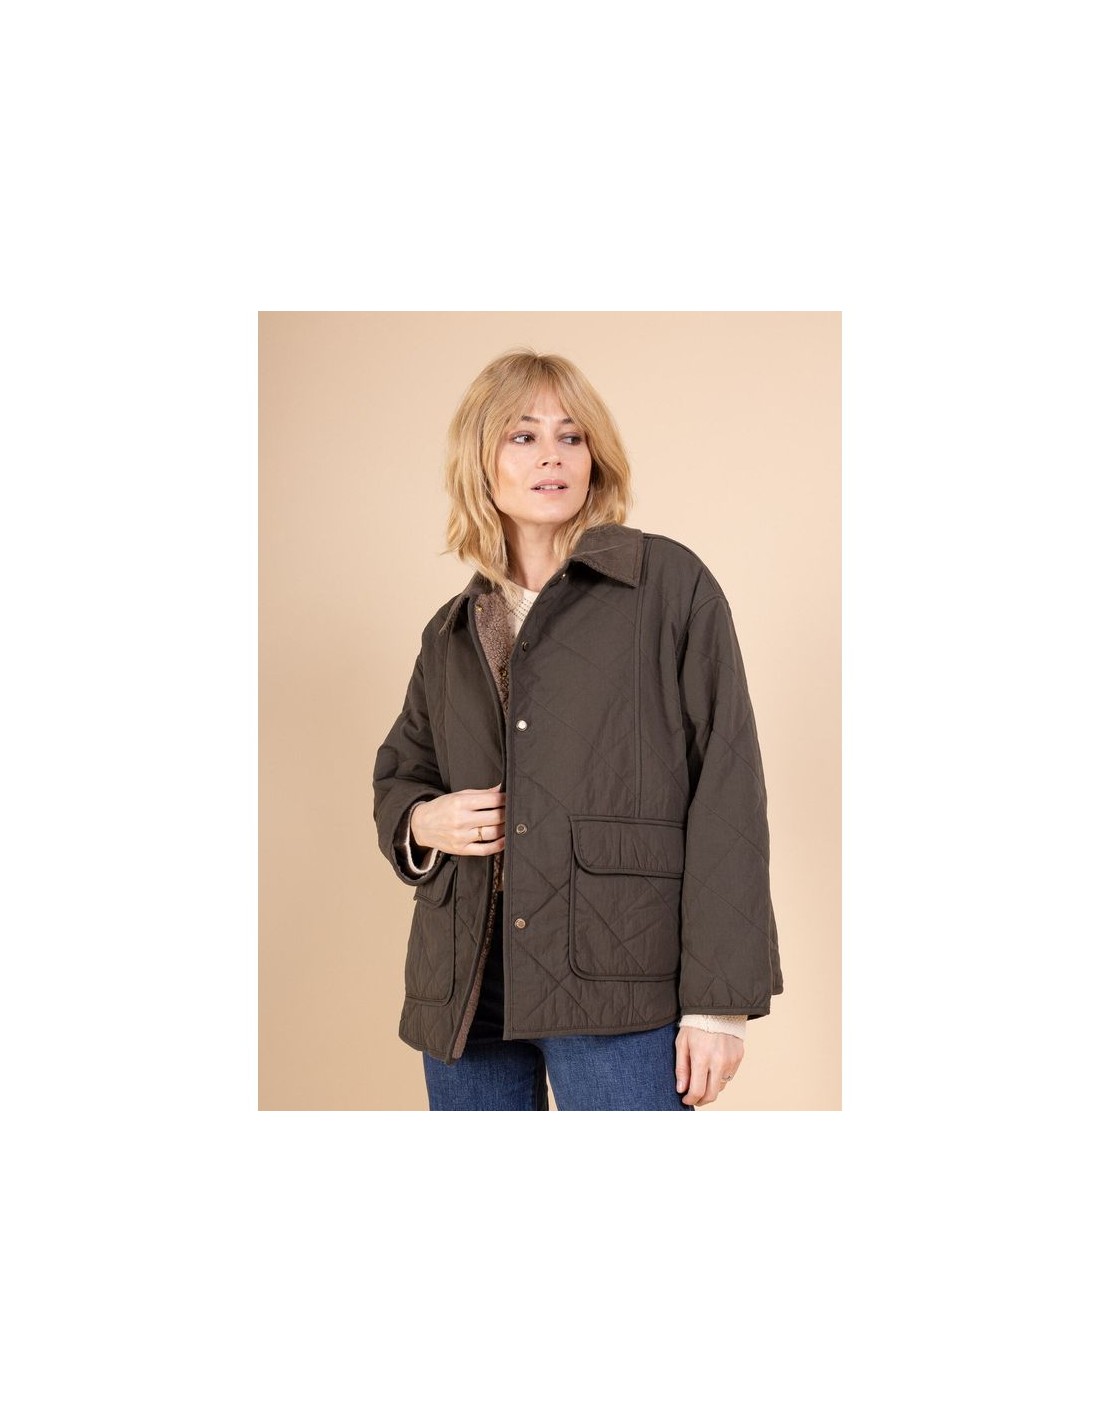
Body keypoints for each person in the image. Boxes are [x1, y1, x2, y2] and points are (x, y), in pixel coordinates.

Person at [373, 349, 782, 1111]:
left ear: (596, 457)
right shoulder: (454, 628)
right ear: (481, 460)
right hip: (466, 982)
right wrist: (423, 821)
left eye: (572, 436)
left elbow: (728, 786)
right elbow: (402, 772)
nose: (551, 456)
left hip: (615, 976)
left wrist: (719, 1006)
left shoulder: (668, 586)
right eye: (523, 436)